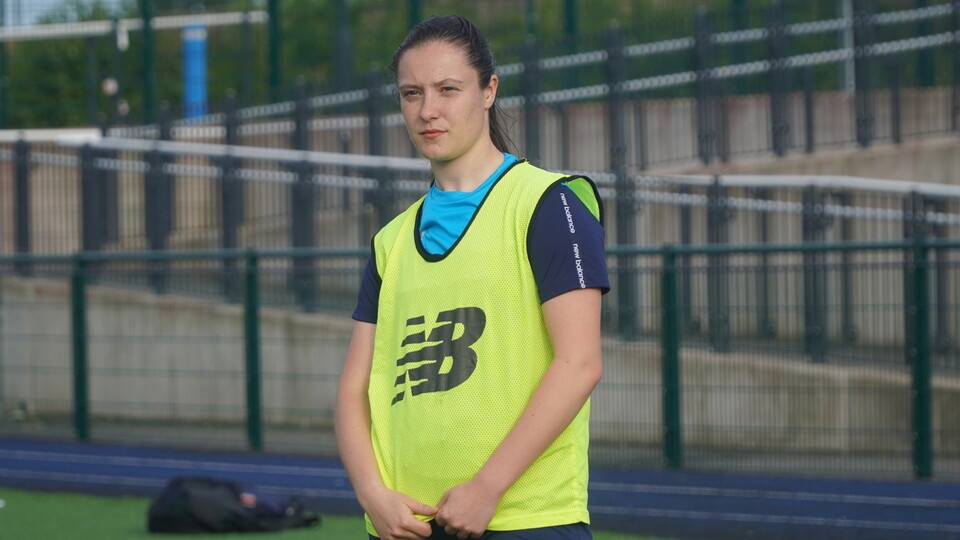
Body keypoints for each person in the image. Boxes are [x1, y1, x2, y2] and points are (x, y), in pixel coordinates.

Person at [335, 14, 609, 540]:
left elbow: (580, 363)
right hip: (405, 525)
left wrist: (488, 487)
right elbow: (354, 388)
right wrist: (372, 495)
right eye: (411, 93)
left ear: (489, 91)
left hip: (524, 520)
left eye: (448, 89)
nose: (427, 110)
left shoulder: (548, 203)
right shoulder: (391, 241)